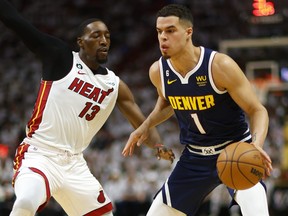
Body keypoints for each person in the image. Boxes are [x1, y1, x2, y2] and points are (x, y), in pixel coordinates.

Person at [0, 0, 175, 215]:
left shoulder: (115, 85)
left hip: (75, 164)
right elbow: (16, 21)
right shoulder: (61, 57)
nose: (104, 41)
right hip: (40, 154)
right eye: (96, 36)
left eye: (107, 36)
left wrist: (158, 145)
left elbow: (141, 123)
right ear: (80, 42)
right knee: (25, 203)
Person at [122, 4, 273, 216]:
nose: (163, 37)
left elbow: (257, 109)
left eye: (170, 30)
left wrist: (256, 145)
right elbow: (167, 103)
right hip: (195, 158)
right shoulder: (158, 71)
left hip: (235, 149)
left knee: (257, 212)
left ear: (188, 33)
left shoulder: (219, 65)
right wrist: (144, 126)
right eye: (159, 32)